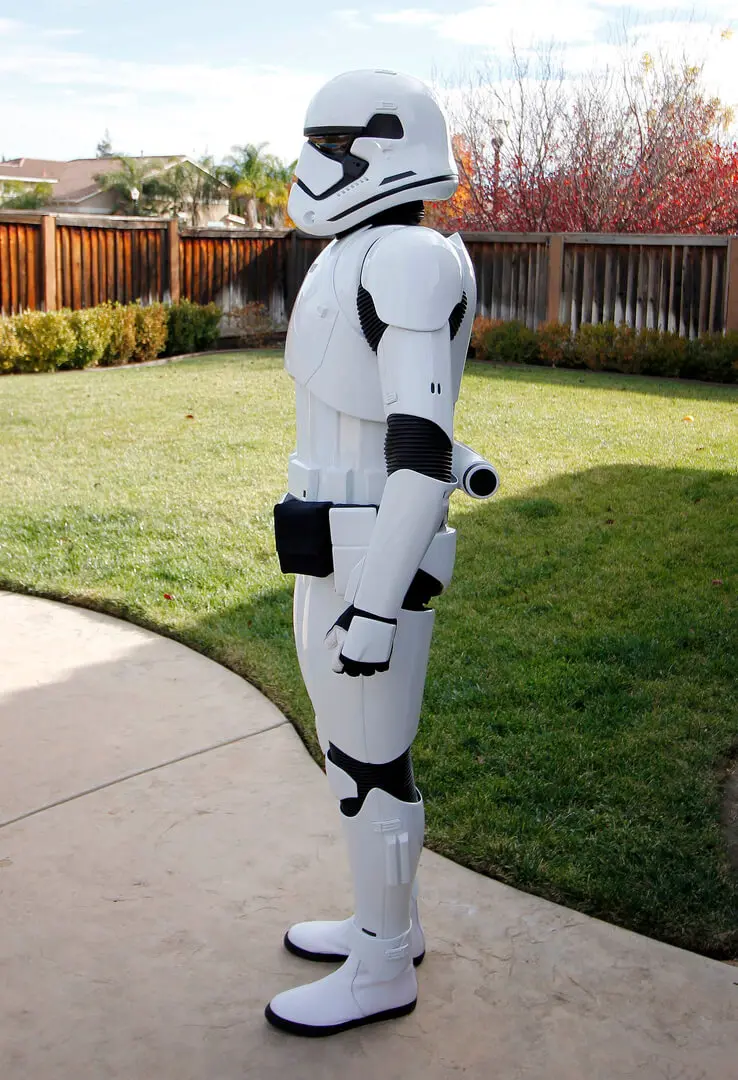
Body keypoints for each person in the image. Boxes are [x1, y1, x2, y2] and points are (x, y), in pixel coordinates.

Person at [268, 68, 498, 1037]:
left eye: (335, 145)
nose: (315, 164)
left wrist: (376, 599)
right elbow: (406, 422)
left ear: (387, 148)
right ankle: (384, 928)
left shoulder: (405, 257)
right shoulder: (356, 253)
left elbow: (417, 446)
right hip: (329, 530)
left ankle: (378, 966)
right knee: (348, 749)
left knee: (372, 762)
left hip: (373, 544)